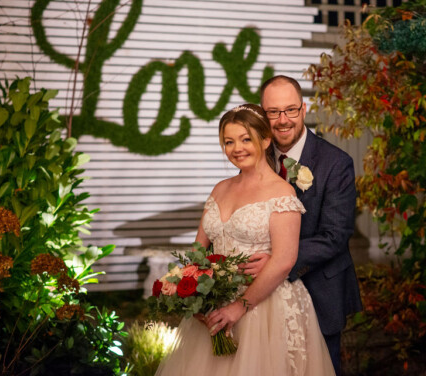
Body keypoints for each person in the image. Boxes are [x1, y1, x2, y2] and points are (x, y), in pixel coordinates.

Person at [155, 103, 335, 376]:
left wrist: (239, 307)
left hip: (265, 310)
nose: (236, 148)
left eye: (245, 139)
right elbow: (199, 250)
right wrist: (193, 295)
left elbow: (284, 260)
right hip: (216, 304)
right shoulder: (220, 189)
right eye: (229, 142)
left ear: (265, 139)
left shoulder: (282, 192)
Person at [241, 76, 363, 375]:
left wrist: (278, 261)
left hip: (318, 290)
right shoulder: (254, 158)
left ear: (303, 110)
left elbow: (334, 236)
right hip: (260, 299)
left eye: (290, 110)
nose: (283, 120)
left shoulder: (336, 163)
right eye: (273, 112)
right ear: (262, 114)